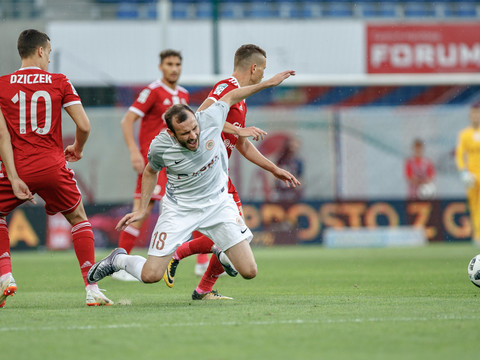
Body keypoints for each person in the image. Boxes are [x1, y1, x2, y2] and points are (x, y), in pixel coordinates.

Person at [86, 70, 297, 298]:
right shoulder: (161, 147)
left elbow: (232, 96)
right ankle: (118, 259)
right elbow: (150, 172)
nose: (194, 136)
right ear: (172, 134)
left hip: (218, 204)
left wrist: (268, 83)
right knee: (151, 275)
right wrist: (140, 209)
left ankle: (215, 264)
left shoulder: (210, 119)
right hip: (180, 210)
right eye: (185, 133)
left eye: (195, 129)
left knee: (249, 271)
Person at [163, 44, 301, 300]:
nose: (262, 75)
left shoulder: (241, 98)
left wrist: (274, 169)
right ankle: (178, 255)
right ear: (254, 68)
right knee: (234, 240)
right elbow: (200, 116)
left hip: (218, 177)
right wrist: (238, 130)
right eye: (263, 70)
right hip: (206, 177)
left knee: (236, 239)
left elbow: (243, 145)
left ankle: (202, 289)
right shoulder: (227, 86)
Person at [0, 29, 112, 307]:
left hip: (18, 165)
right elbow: (84, 125)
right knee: (78, 218)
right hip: (52, 164)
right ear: (40, 51)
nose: (49, 59)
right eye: (49, 53)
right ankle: (92, 288)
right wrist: (78, 148)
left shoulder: (1, 85)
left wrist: (13, 177)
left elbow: (2, 137)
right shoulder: (59, 81)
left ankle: (5, 275)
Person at [114, 50, 209, 280]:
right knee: (143, 210)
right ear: (161, 67)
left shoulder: (183, 94)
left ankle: (202, 261)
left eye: (177, 64)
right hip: (155, 163)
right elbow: (127, 120)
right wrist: (135, 152)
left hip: (179, 163)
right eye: (169, 64)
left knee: (194, 204)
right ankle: (119, 262)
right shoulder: (153, 91)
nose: (174, 68)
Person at [456, 104, 480, 245]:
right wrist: (463, 171)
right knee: (474, 205)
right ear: (470, 116)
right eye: (474, 114)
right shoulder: (464, 134)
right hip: (472, 175)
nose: (476, 117)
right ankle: (477, 235)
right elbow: (460, 154)